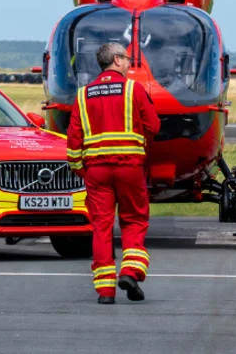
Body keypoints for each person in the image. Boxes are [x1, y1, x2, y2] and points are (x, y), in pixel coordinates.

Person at [66, 42, 160, 304]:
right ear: (117, 60)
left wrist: (81, 170)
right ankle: (130, 272)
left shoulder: (83, 95)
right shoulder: (133, 90)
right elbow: (154, 125)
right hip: (129, 168)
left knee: (101, 227)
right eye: (128, 59)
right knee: (134, 220)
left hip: (96, 172)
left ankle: (105, 291)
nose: (130, 63)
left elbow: (74, 141)